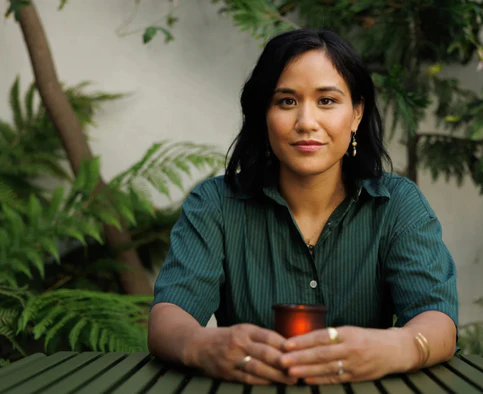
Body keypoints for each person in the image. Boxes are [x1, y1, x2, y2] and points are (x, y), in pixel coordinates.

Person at [148, 28, 458, 386]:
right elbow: (168, 317)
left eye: (326, 101)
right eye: (286, 101)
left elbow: (438, 319)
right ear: (264, 115)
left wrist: (394, 346)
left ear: (356, 113)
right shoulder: (215, 205)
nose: (306, 123)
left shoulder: (397, 205)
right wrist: (200, 344)